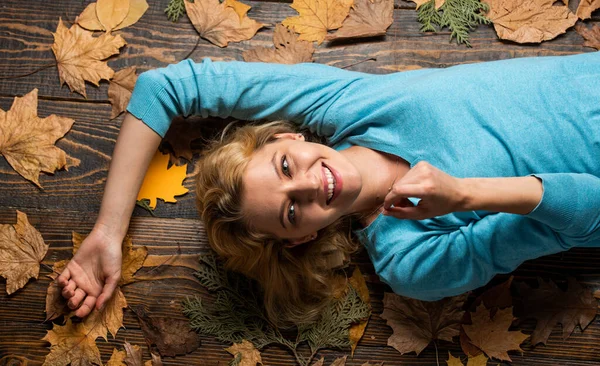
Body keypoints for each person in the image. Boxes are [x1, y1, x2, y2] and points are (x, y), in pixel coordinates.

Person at [56, 52, 600, 325]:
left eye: (287, 165)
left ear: (287, 136)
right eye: (293, 213)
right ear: (300, 240)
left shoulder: (351, 105)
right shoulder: (409, 263)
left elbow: (166, 86)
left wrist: (108, 231)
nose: (314, 184)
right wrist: (466, 196)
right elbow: (590, 215)